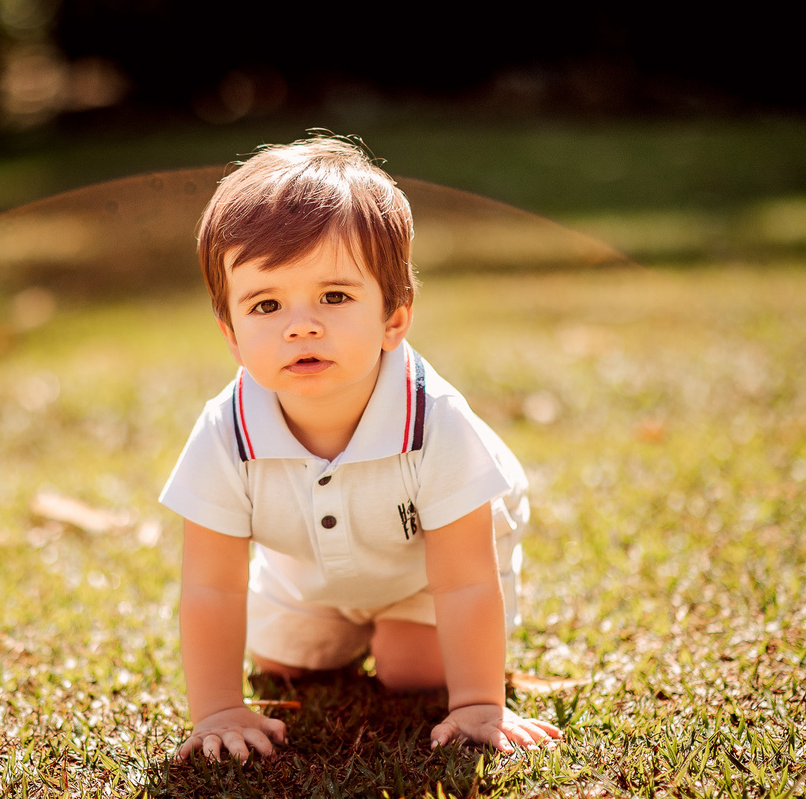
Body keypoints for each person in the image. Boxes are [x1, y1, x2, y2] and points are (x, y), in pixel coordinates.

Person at [161, 135, 562, 761]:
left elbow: (464, 581)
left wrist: (481, 703)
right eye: (266, 304)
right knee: (284, 666)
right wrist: (217, 709)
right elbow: (211, 587)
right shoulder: (225, 432)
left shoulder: (436, 424)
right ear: (232, 335)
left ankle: (401, 628)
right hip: (312, 569)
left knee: (410, 671)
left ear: (394, 317)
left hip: (435, 572)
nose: (301, 324)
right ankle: (340, 620)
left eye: (335, 296)